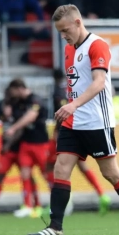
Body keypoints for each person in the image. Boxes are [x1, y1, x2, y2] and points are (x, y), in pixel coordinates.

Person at [26, 4, 119, 235]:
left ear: (77, 22)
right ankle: (55, 227)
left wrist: (72, 104)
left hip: (96, 121)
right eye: (59, 32)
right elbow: (77, 83)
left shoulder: (97, 45)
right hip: (73, 122)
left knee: (111, 173)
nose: (63, 35)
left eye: (65, 30)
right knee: (61, 168)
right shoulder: (68, 49)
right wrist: (70, 108)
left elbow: (99, 82)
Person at [46, 69, 111, 216]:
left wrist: (57, 134)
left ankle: (62, 201)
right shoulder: (75, 87)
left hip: (67, 131)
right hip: (83, 126)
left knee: (52, 167)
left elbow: (61, 112)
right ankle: (102, 194)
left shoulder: (57, 91)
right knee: (82, 165)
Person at [0, 88, 41, 216]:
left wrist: (9, 143)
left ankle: (35, 204)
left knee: (28, 176)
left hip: (20, 149)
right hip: (8, 152)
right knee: (0, 176)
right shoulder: (4, 113)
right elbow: (4, 131)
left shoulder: (19, 111)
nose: (6, 110)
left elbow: (20, 130)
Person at [5, 79, 49, 218]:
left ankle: (61, 201)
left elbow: (30, 117)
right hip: (25, 143)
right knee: (25, 174)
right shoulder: (19, 103)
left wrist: (13, 128)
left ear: (19, 88)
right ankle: (27, 205)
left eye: (13, 92)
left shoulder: (36, 100)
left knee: (46, 174)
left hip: (40, 143)